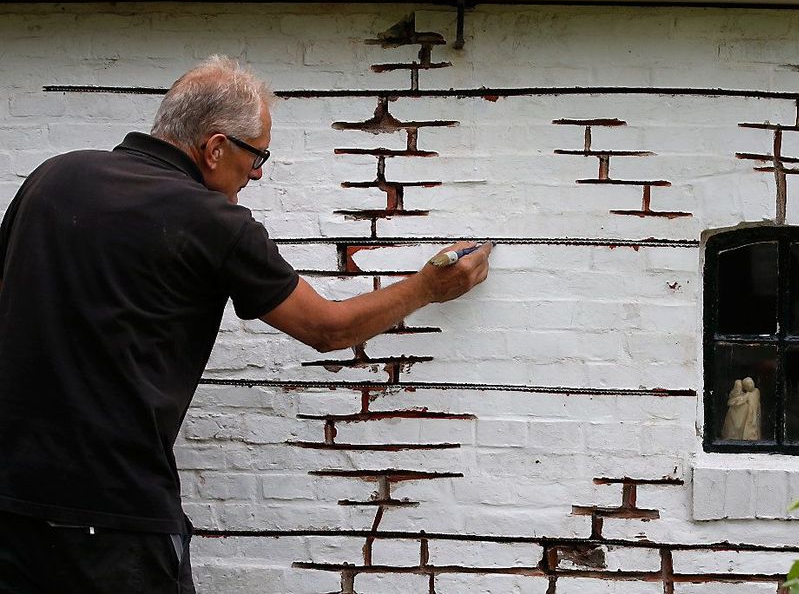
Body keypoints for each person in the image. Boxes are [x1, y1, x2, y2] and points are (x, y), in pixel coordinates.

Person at [0, 55, 492, 593]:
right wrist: (427, 287)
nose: (256, 173)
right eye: (256, 156)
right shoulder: (213, 222)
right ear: (215, 148)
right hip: (114, 520)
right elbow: (327, 328)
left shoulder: (53, 176)